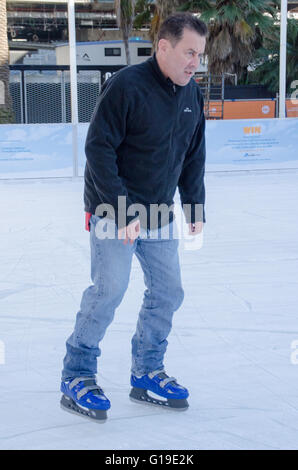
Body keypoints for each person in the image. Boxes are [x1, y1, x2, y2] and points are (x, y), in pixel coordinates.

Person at [60, 12, 207, 422]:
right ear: (163, 47)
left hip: (159, 211)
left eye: (200, 54)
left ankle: (146, 372)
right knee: (109, 292)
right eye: (188, 52)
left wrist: (194, 206)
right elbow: (99, 149)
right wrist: (121, 208)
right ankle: (77, 374)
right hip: (114, 208)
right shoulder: (126, 86)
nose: (195, 62)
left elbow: (193, 155)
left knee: (168, 292)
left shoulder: (192, 94)